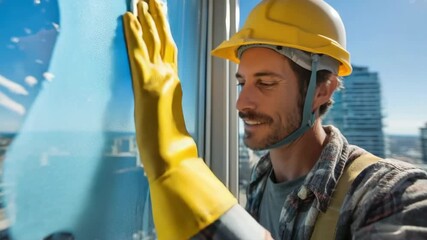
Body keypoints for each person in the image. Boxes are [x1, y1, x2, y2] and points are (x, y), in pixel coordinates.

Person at [122, 0, 427, 239]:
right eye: (242, 83)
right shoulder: (260, 182)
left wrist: (178, 169)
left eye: (266, 83)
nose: (241, 103)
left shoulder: (390, 195)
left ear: (322, 89)